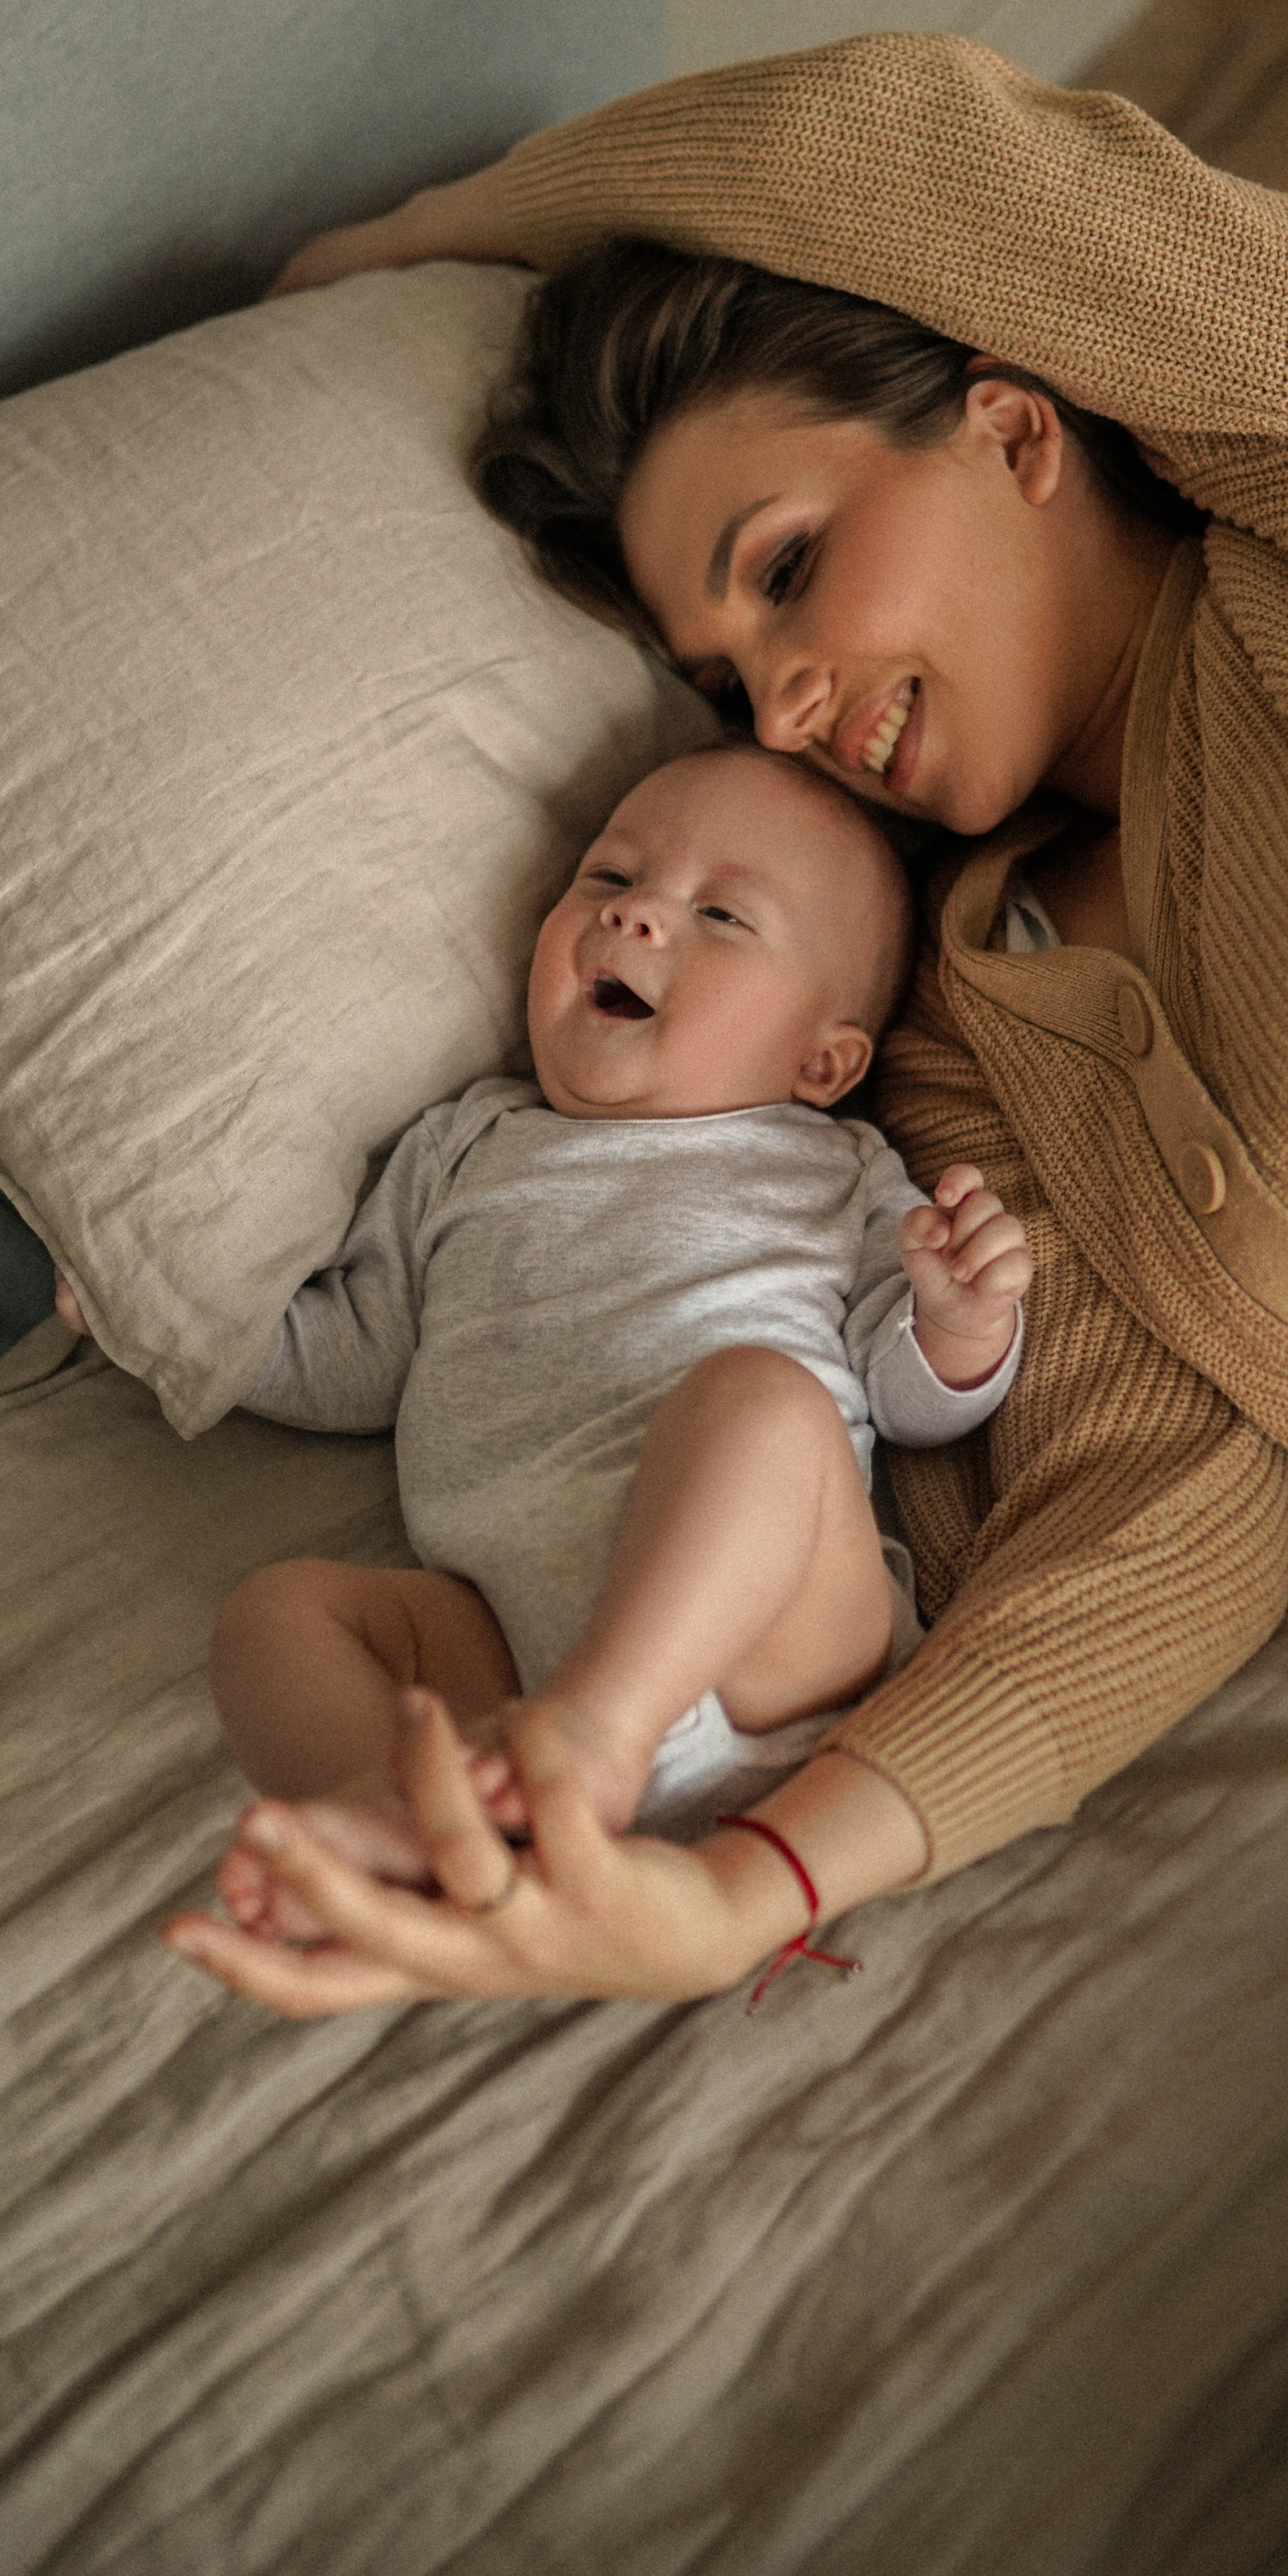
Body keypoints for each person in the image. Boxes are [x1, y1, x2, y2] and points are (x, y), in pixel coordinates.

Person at [155, 32, 1288, 2576]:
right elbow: (1151, 1526)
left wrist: (435, 233)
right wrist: (736, 1891)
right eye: (726, 674)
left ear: (1020, 421)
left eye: (791, 568)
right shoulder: (962, 1031)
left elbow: (914, 142)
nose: (784, 701)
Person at [197, 739, 1028, 1950]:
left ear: (823, 1060)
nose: (636, 915)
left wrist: (958, 1323)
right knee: (274, 1618)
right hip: (511, 1653)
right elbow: (360, 1359)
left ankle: (605, 1727)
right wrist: (195, 1327)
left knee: (760, 1401)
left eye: (721, 913)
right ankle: (410, 1824)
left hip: (773, 1653)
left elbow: (911, 1400)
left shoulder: (834, 1168)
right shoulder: (465, 1146)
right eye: (609, 878)